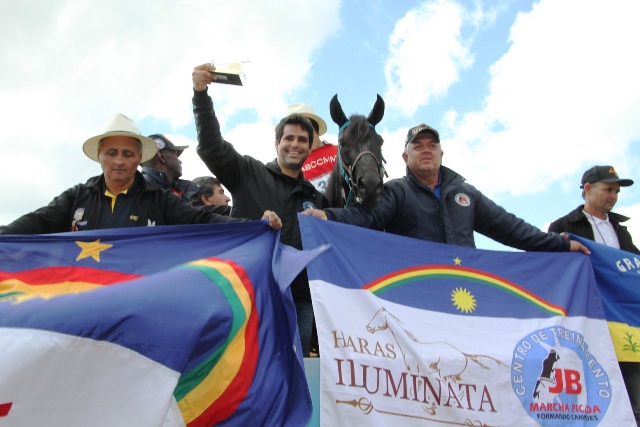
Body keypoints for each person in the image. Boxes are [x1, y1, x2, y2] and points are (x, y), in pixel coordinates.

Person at [192, 63, 329, 356]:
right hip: (249, 292)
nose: (295, 144)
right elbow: (212, 147)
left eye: (302, 140)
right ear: (277, 142)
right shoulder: (248, 171)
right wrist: (201, 96)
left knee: (295, 375)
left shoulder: (316, 199)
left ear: (309, 147)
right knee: (245, 372)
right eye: (289, 138)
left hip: (299, 301)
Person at [303, 123, 589, 254]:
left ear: (442, 154)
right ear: (405, 157)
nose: (426, 151)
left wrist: (560, 244)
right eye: (418, 146)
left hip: (467, 293)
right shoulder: (396, 192)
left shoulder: (466, 194)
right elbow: (367, 218)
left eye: (432, 146)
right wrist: (328, 216)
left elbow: (511, 229)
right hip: (415, 292)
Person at [1, 113, 281, 234]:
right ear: (99, 157)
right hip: (86, 302)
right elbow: (34, 223)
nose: (119, 161)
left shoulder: (159, 199)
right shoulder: (78, 196)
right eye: (112, 153)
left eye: (127, 154)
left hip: (138, 308)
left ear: (139, 159)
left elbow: (202, 218)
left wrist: (255, 223)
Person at [549, 165, 639, 425]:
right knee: (591, 391)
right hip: (585, 319)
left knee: (634, 392)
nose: (613, 195)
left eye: (617, 191)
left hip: (623, 323)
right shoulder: (563, 226)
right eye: (608, 189)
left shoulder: (621, 230)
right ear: (588, 189)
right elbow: (551, 269)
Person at [286, 103, 338, 193]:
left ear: (315, 126)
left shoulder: (339, 151)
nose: (301, 132)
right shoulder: (293, 166)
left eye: (304, 126)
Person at [141, 134, 199, 201]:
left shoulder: (178, 190)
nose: (180, 161)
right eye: (176, 155)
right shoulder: (145, 191)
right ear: (162, 156)